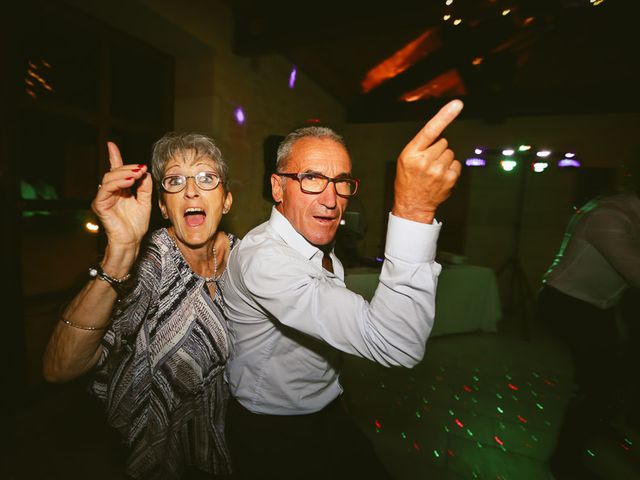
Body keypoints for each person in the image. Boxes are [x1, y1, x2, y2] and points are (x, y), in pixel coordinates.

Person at [223, 100, 464, 479]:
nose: (332, 200)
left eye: (341, 182)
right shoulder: (264, 259)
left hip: (329, 411)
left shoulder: (318, 245)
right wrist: (414, 211)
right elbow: (396, 343)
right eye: (312, 179)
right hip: (273, 429)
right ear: (277, 187)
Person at [43, 133, 236, 479]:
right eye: (175, 180)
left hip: (222, 445)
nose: (191, 191)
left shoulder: (243, 260)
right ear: (163, 207)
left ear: (226, 201)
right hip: (157, 456)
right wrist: (119, 254)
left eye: (207, 178)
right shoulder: (153, 261)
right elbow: (59, 368)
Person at [536, 183, 640, 479]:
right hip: (567, 304)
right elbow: (635, 272)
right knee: (595, 384)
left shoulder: (624, 212)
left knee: (609, 376)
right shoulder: (610, 217)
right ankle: (564, 461)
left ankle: (597, 419)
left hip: (597, 306)